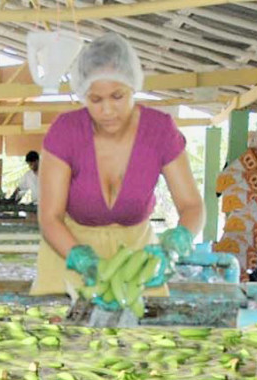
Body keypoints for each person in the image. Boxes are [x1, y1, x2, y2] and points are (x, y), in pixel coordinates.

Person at [33, 32, 205, 296]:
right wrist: (81, 259)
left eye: (117, 96)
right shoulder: (65, 132)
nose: (107, 110)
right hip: (69, 251)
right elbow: (50, 217)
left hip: (136, 258)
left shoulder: (160, 131)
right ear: (82, 95)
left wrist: (177, 243)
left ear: (133, 88)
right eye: (95, 99)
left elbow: (192, 206)